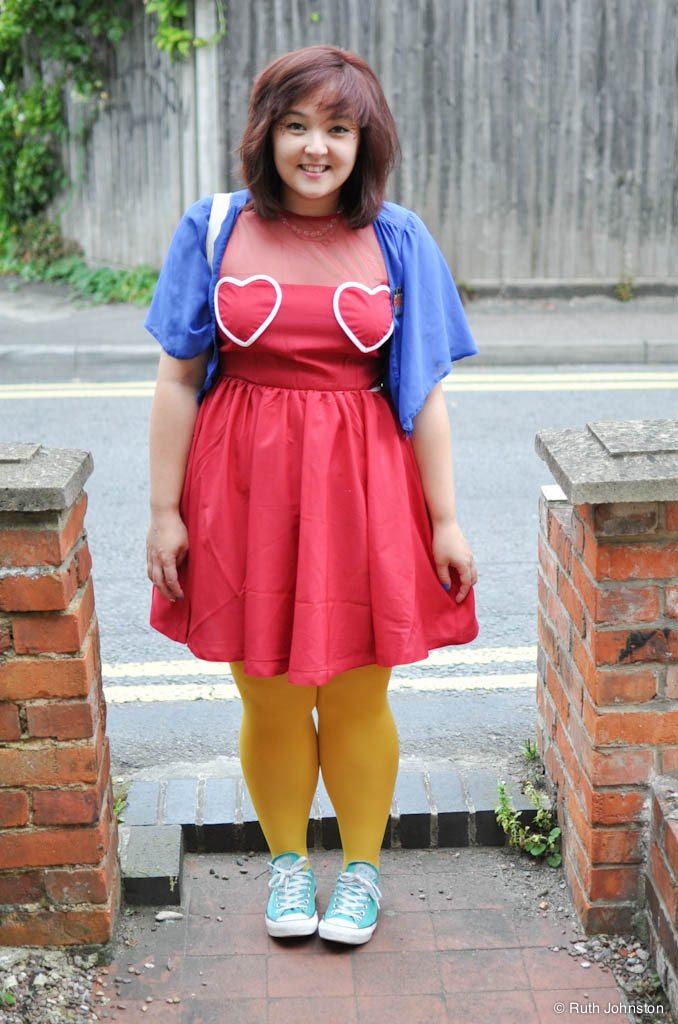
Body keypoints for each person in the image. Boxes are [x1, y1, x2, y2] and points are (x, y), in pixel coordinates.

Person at [145, 44, 478, 946]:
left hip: (366, 493)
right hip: (241, 496)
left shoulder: (398, 238)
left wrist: (446, 520)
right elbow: (177, 380)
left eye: (338, 127)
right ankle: (288, 865)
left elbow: (426, 395)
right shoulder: (213, 228)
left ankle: (362, 871)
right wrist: (164, 511)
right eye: (296, 125)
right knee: (271, 698)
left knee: (360, 697)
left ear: (366, 142)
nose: (316, 147)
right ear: (266, 134)